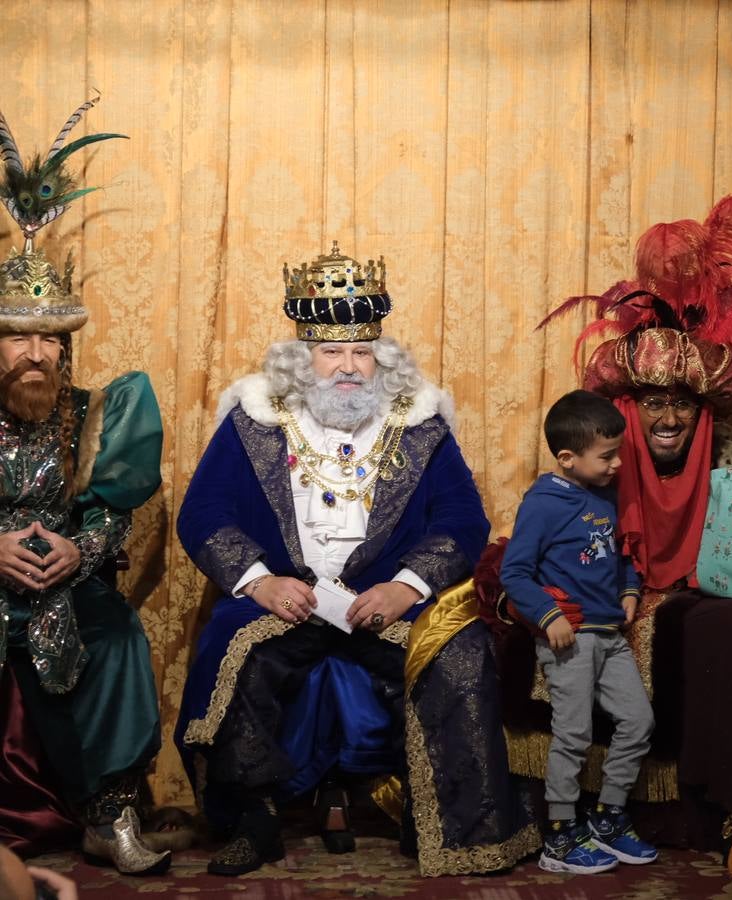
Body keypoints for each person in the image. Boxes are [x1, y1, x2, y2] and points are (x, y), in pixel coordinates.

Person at [507, 194, 732, 849]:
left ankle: (729, 798)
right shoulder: (600, 465)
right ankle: (576, 817)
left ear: (704, 411)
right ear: (630, 408)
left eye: (682, 406)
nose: (668, 420)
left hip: (697, 587)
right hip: (614, 600)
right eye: (654, 404)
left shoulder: (730, 461)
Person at [175, 243, 537, 876]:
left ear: (381, 359)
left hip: (382, 599)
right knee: (237, 657)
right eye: (331, 351)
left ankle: (448, 826)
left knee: (457, 653)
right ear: (302, 357)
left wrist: (406, 585)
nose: (347, 366)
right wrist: (259, 583)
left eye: (361, 352)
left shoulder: (419, 422)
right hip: (288, 597)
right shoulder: (255, 419)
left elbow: (462, 520)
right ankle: (251, 822)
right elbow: (203, 515)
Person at [0, 98, 169, 874]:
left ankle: (109, 816)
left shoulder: (105, 409)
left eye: (48, 338)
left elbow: (112, 507)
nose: (33, 354)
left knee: (115, 633)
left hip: (68, 579)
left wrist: (79, 548)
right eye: (15, 338)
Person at [499, 389, 658, 874]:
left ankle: (608, 816)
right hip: (570, 639)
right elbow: (515, 573)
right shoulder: (543, 504)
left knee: (638, 722)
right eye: (606, 457)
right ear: (567, 459)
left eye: (618, 455)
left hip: (609, 634)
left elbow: (620, 556)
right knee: (574, 734)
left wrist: (630, 589)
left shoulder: (606, 497)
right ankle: (561, 833)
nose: (615, 465)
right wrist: (550, 617)